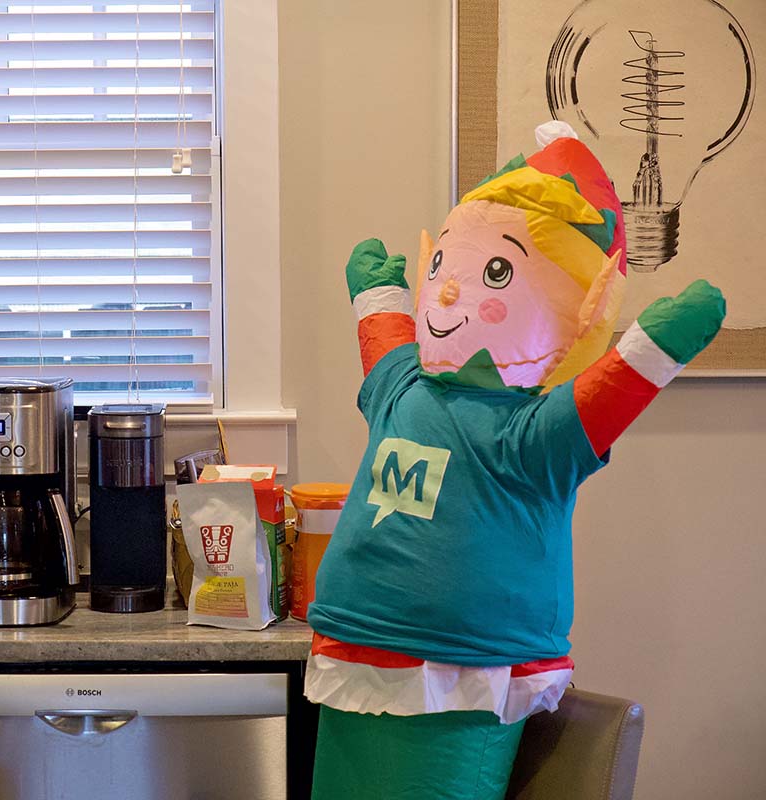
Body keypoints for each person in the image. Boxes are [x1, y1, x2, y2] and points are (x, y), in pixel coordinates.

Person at [303, 123, 725, 798]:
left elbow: (604, 397)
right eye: (442, 266)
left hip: (462, 669)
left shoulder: (531, 434)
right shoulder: (405, 387)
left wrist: (654, 345)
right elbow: (385, 346)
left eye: (495, 272)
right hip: (356, 647)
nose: (443, 293)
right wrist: (376, 295)